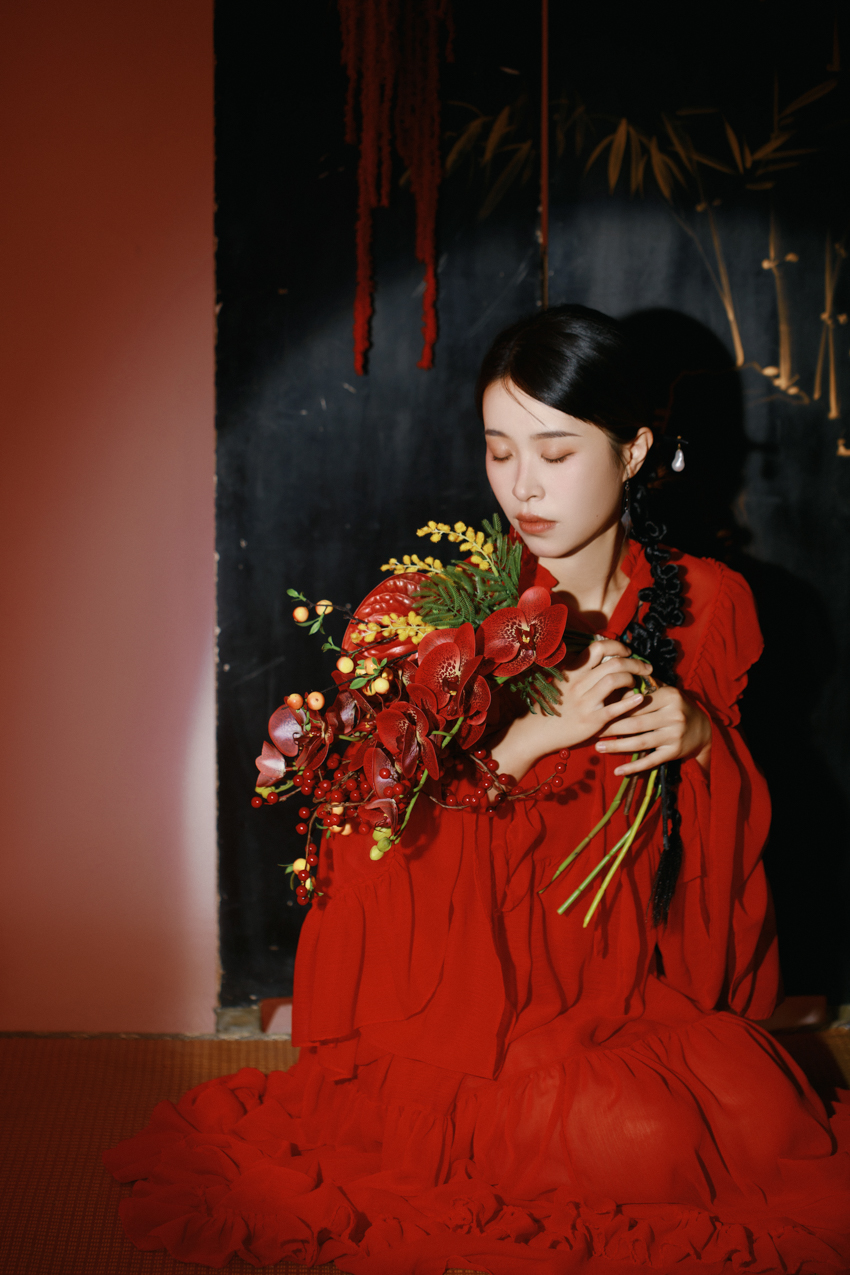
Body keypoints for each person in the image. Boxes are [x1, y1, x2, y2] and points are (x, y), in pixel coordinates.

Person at [104, 306, 850, 1273]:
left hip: (626, 986)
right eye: (499, 450)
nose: (522, 485)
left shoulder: (708, 603)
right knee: (631, 1144)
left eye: (556, 451)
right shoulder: (423, 612)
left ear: (633, 451)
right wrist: (532, 740)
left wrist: (701, 740)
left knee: (749, 1121)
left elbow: (721, 846)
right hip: (475, 1003)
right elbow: (369, 861)